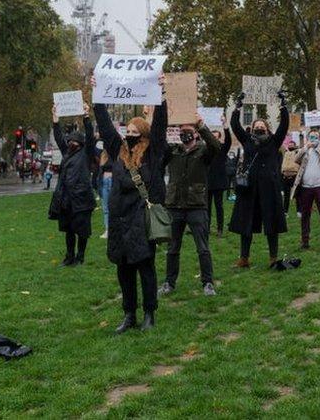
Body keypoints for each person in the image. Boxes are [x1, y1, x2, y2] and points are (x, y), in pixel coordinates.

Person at [93, 76, 168, 333]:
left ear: (144, 135)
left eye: (136, 132)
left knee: (145, 268)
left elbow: (160, 126)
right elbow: (104, 126)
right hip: (119, 219)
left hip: (141, 219)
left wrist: (162, 94)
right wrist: (98, 95)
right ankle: (129, 314)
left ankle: (149, 313)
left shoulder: (153, 151)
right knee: (124, 270)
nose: (131, 134)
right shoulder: (119, 150)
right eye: (129, 131)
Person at [159, 113, 222, 297]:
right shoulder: (173, 152)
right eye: (182, 130)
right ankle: (169, 282)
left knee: (202, 247)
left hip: (196, 205)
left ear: (195, 134)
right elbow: (157, 145)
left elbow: (216, 147)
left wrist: (202, 125)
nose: (184, 133)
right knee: (172, 248)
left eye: (188, 130)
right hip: (175, 205)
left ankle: (208, 282)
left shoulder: (203, 152)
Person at [229, 92, 290, 268]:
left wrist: (283, 105)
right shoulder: (247, 139)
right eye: (257, 125)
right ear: (252, 127)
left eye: (262, 125)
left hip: (269, 187)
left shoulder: (273, 141)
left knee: (271, 223)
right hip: (249, 188)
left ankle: (273, 257)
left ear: (267, 128)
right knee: (245, 223)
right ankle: (244, 258)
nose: (259, 127)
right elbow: (235, 126)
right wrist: (237, 107)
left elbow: (284, 126)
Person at [48, 102, 96, 266]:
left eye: (74, 142)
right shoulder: (67, 153)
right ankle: (69, 256)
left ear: (81, 144)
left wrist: (86, 117)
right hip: (67, 199)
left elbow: (90, 136)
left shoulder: (86, 154)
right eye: (69, 141)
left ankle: (80, 257)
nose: (70, 143)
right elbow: (59, 138)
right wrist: (55, 121)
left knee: (82, 231)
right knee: (68, 230)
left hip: (81, 198)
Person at [292, 126, 320, 249]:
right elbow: (295, 159)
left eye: (316, 137)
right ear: (308, 138)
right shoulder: (306, 150)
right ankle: (305, 240)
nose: (314, 138)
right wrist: (306, 147)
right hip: (306, 187)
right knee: (305, 214)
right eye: (311, 137)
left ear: (319, 138)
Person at [207, 123, 232, 237]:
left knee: (219, 206)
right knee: (206, 207)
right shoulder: (206, 149)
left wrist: (226, 127)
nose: (214, 139)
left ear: (219, 138)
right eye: (212, 137)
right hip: (207, 181)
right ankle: (206, 228)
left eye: (216, 137)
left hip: (218, 182)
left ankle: (220, 229)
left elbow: (229, 141)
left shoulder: (223, 148)